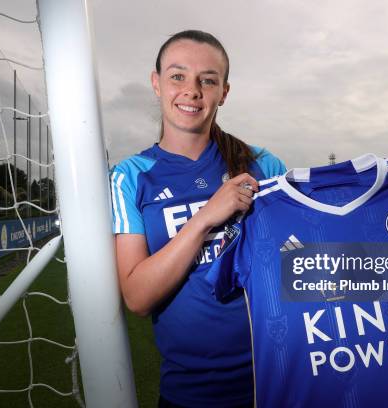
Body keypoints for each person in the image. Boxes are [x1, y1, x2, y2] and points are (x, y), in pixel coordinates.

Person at [110, 30, 286, 408]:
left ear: (223, 92)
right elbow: (137, 297)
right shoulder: (132, 176)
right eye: (177, 76)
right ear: (156, 83)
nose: (192, 90)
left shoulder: (263, 164)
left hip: (278, 382)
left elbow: (301, 261)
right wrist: (206, 217)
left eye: (207, 80)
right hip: (189, 395)